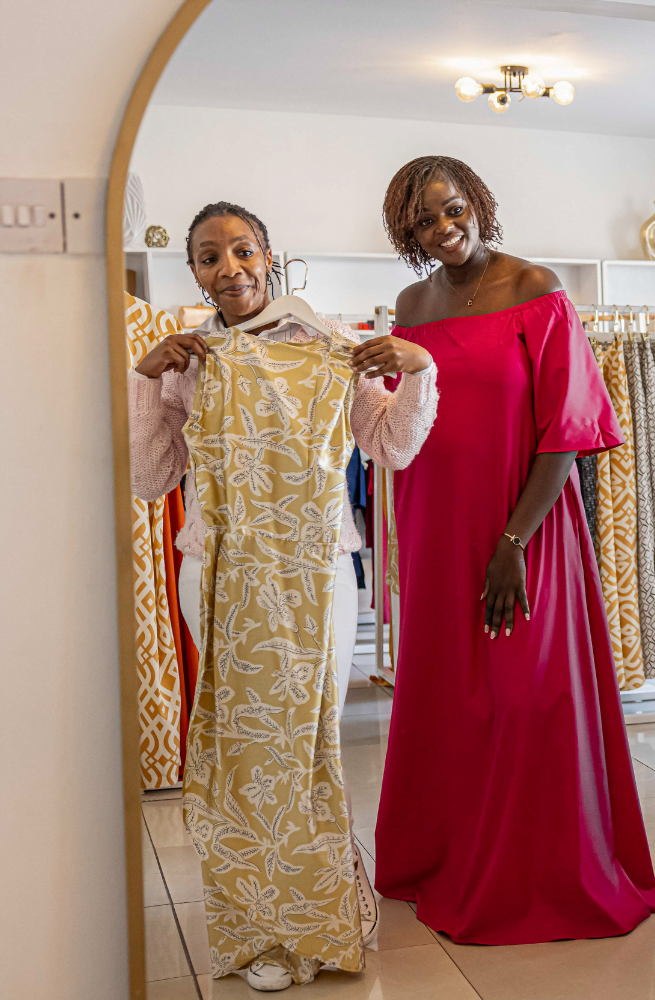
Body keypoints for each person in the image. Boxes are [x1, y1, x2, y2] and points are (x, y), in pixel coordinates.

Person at [129, 201, 438, 991]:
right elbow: (148, 476)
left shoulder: (332, 349)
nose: (227, 268)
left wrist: (419, 369)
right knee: (243, 749)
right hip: (224, 570)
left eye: (240, 250)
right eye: (207, 257)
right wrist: (146, 379)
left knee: (309, 749)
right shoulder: (196, 359)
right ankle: (257, 926)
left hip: (318, 572)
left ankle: (318, 916)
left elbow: (392, 446)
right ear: (193, 270)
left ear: (270, 256)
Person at [372, 155, 655, 944]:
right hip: (435, 522)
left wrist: (512, 542)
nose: (443, 229)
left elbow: (566, 433)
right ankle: (447, 857)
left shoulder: (536, 289)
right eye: (423, 223)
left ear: (479, 203)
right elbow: (403, 421)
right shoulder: (412, 302)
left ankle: (540, 873)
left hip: (523, 526)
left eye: (452, 209)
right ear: (407, 235)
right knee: (446, 695)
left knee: (525, 694)